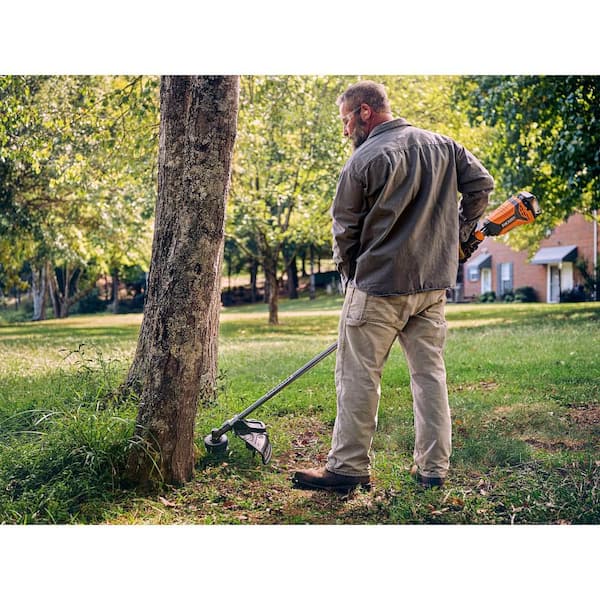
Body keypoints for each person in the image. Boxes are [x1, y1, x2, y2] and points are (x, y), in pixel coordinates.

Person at [292, 80, 494, 492]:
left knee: (359, 378)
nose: (346, 130)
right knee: (429, 376)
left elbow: (345, 230)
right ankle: (432, 470)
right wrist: (458, 233)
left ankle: (347, 469)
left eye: (347, 120)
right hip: (432, 287)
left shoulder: (363, 160)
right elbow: (481, 184)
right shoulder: (444, 146)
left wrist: (352, 277)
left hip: (377, 286)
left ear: (365, 112)